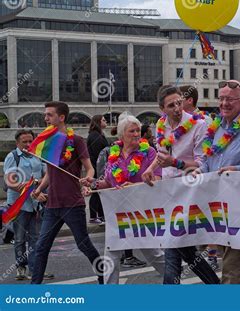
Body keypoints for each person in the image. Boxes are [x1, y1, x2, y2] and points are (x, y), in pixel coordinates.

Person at [142, 86, 219, 285]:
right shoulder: (160, 124)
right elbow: (162, 155)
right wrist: (151, 168)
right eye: (171, 105)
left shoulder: (199, 124)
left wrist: (175, 162)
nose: (177, 108)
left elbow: (203, 163)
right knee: (185, 251)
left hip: (190, 192)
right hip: (168, 193)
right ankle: (215, 285)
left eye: (179, 102)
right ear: (162, 109)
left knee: (173, 251)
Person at [81, 114, 163, 284]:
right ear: (121, 135)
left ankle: (175, 279)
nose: (136, 134)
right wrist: (93, 184)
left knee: (154, 255)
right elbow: (107, 182)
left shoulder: (149, 152)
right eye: (131, 131)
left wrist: (133, 186)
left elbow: (157, 181)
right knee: (110, 254)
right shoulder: (113, 153)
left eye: (138, 130)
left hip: (141, 212)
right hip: (117, 212)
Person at [198, 79, 240, 284]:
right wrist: (198, 171)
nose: (224, 103)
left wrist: (236, 170)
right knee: (235, 259)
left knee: (232, 264)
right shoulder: (215, 126)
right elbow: (208, 159)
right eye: (222, 99)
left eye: (230, 99)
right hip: (218, 203)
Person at [30, 102, 103, 284]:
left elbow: (90, 168)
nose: (45, 118)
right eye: (45, 115)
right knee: (41, 247)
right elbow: (50, 172)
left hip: (72, 203)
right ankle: (34, 288)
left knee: (83, 244)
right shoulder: (47, 142)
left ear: (61, 117)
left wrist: (89, 179)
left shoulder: (76, 141)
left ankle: (103, 275)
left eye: (49, 115)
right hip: (53, 204)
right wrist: (39, 189)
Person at [3, 130, 54, 281]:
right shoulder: (12, 157)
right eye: (24, 141)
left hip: (35, 204)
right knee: (19, 239)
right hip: (19, 205)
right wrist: (29, 189)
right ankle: (21, 268)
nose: (27, 144)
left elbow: (47, 173)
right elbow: (9, 181)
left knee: (35, 238)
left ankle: (35, 269)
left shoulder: (37, 156)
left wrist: (40, 187)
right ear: (17, 143)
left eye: (30, 141)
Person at [86, 115, 108, 224]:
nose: (106, 121)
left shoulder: (97, 135)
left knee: (99, 191)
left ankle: (101, 215)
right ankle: (94, 216)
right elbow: (100, 154)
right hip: (97, 168)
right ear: (98, 122)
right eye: (104, 120)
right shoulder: (95, 136)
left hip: (98, 167)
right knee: (96, 191)